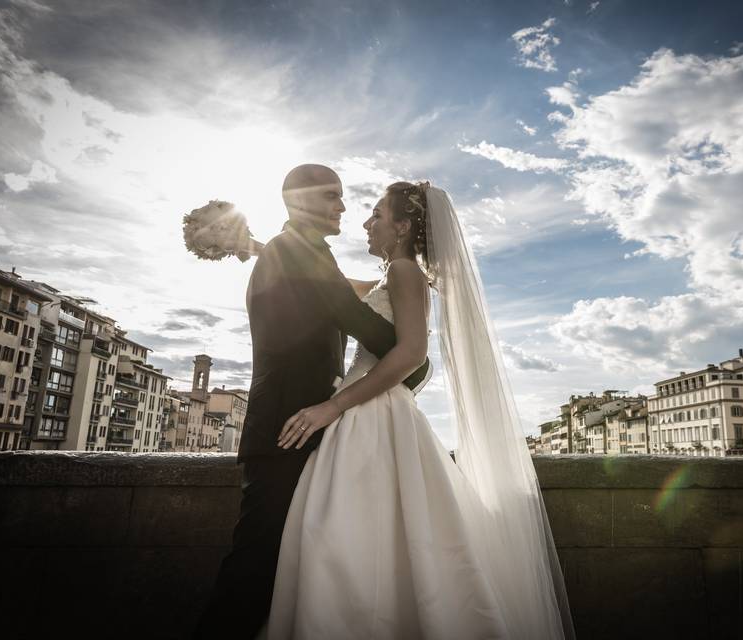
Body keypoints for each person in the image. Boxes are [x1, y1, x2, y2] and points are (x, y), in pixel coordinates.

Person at [263, 182, 574, 639]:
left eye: (376, 215)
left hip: (370, 414)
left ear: (403, 227)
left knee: (341, 537)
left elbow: (409, 354)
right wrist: (253, 246)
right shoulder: (396, 275)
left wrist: (333, 406)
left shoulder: (406, 273)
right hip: (372, 411)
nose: (366, 223)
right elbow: (335, 288)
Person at [193, 165, 431, 639]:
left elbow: (345, 294)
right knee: (255, 568)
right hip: (287, 430)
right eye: (332, 196)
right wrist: (415, 358)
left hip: (300, 429)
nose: (344, 207)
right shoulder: (299, 253)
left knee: (277, 566)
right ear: (297, 200)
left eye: (346, 199)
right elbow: (376, 330)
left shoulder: (297, 252)